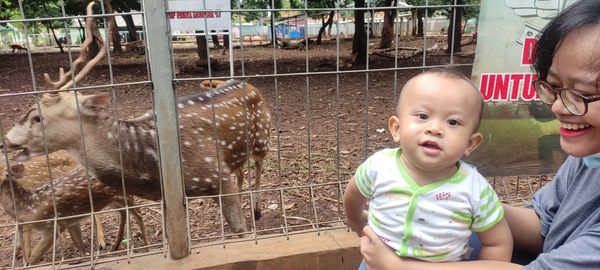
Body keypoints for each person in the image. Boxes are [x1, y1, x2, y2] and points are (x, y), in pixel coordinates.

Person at [359, 0, 600, 269]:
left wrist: (399, 266)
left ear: (472, 142)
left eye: (583, 93)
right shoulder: (590, 158)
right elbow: (542, 225)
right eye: (554, 87)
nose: (557, 106)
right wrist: (459, 198)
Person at [344, 68, 513, 268]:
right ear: (397, 128)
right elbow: (354, 194)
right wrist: (356, 220)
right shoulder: (379, 166)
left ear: (470, 143)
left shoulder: (475, 188)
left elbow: (497, 241)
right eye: (423, 116)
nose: (435, 129)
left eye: (453, 122)